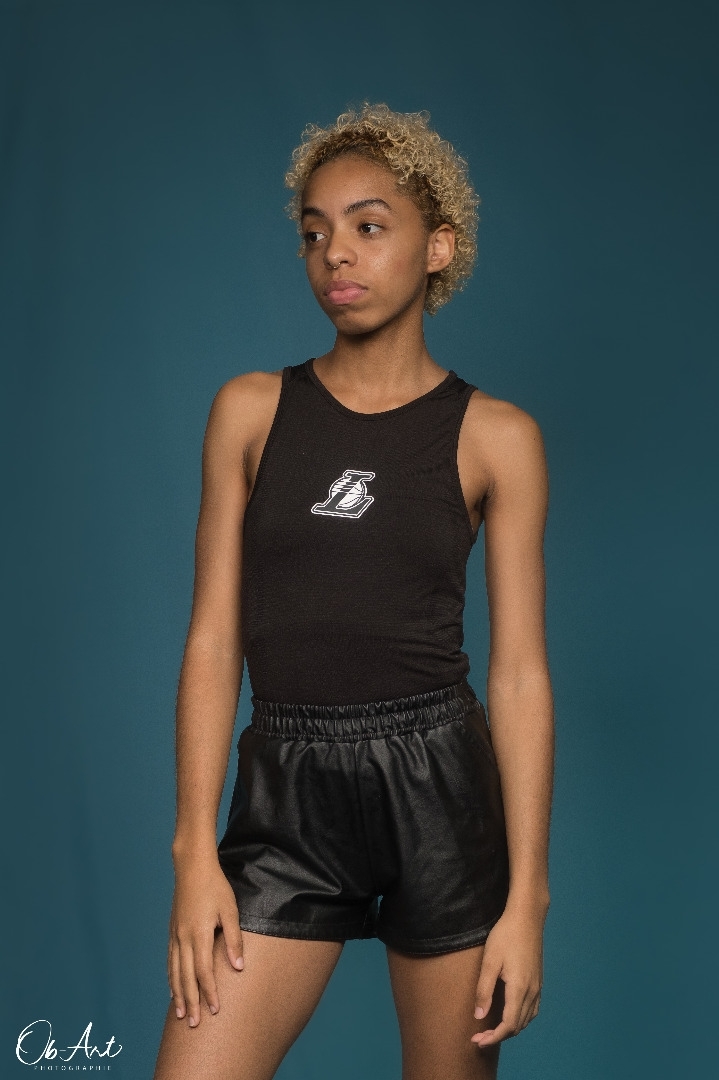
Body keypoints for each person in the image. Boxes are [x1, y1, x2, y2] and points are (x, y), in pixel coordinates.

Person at [153, 103, 554, 1080]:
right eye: (314, 233)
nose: (335, 253)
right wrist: (194, 855)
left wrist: (526, 902)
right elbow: (212, 640)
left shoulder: (496, 437)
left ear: (436, 248)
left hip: (439, 794)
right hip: (286, 794)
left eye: (369, 227)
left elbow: (518, 676)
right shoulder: (250, 413)